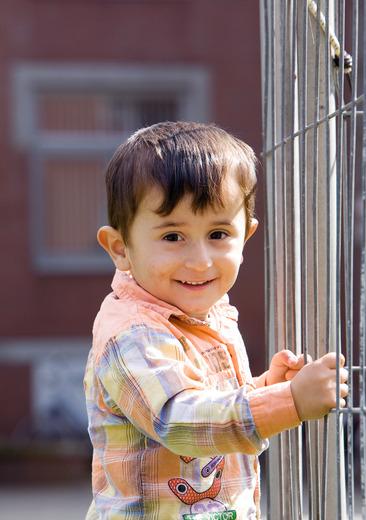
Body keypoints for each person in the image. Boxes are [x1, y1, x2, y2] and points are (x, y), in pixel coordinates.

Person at [84, 121, 348, 519]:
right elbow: (180, 419)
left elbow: (209, 402)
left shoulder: (210, 315)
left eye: (219, 233)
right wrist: (288, 402)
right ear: (121, 248)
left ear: (246, 237)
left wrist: (262, 389)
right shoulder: (133, 334)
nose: (201, 260)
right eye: (173, 237)